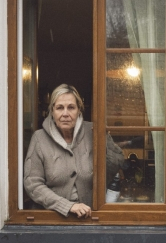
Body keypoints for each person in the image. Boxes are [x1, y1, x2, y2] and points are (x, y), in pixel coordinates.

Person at [24, 84, 124, 218]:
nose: (65, 113)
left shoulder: (92, 131)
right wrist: (67, 206)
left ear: (79, 111)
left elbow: (116, 165)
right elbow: (33, 184)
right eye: (60, 108)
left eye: (71, 107)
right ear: (52, 112)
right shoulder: (39, 138)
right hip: (51, 219)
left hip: (90, 218)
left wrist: (104, 137)